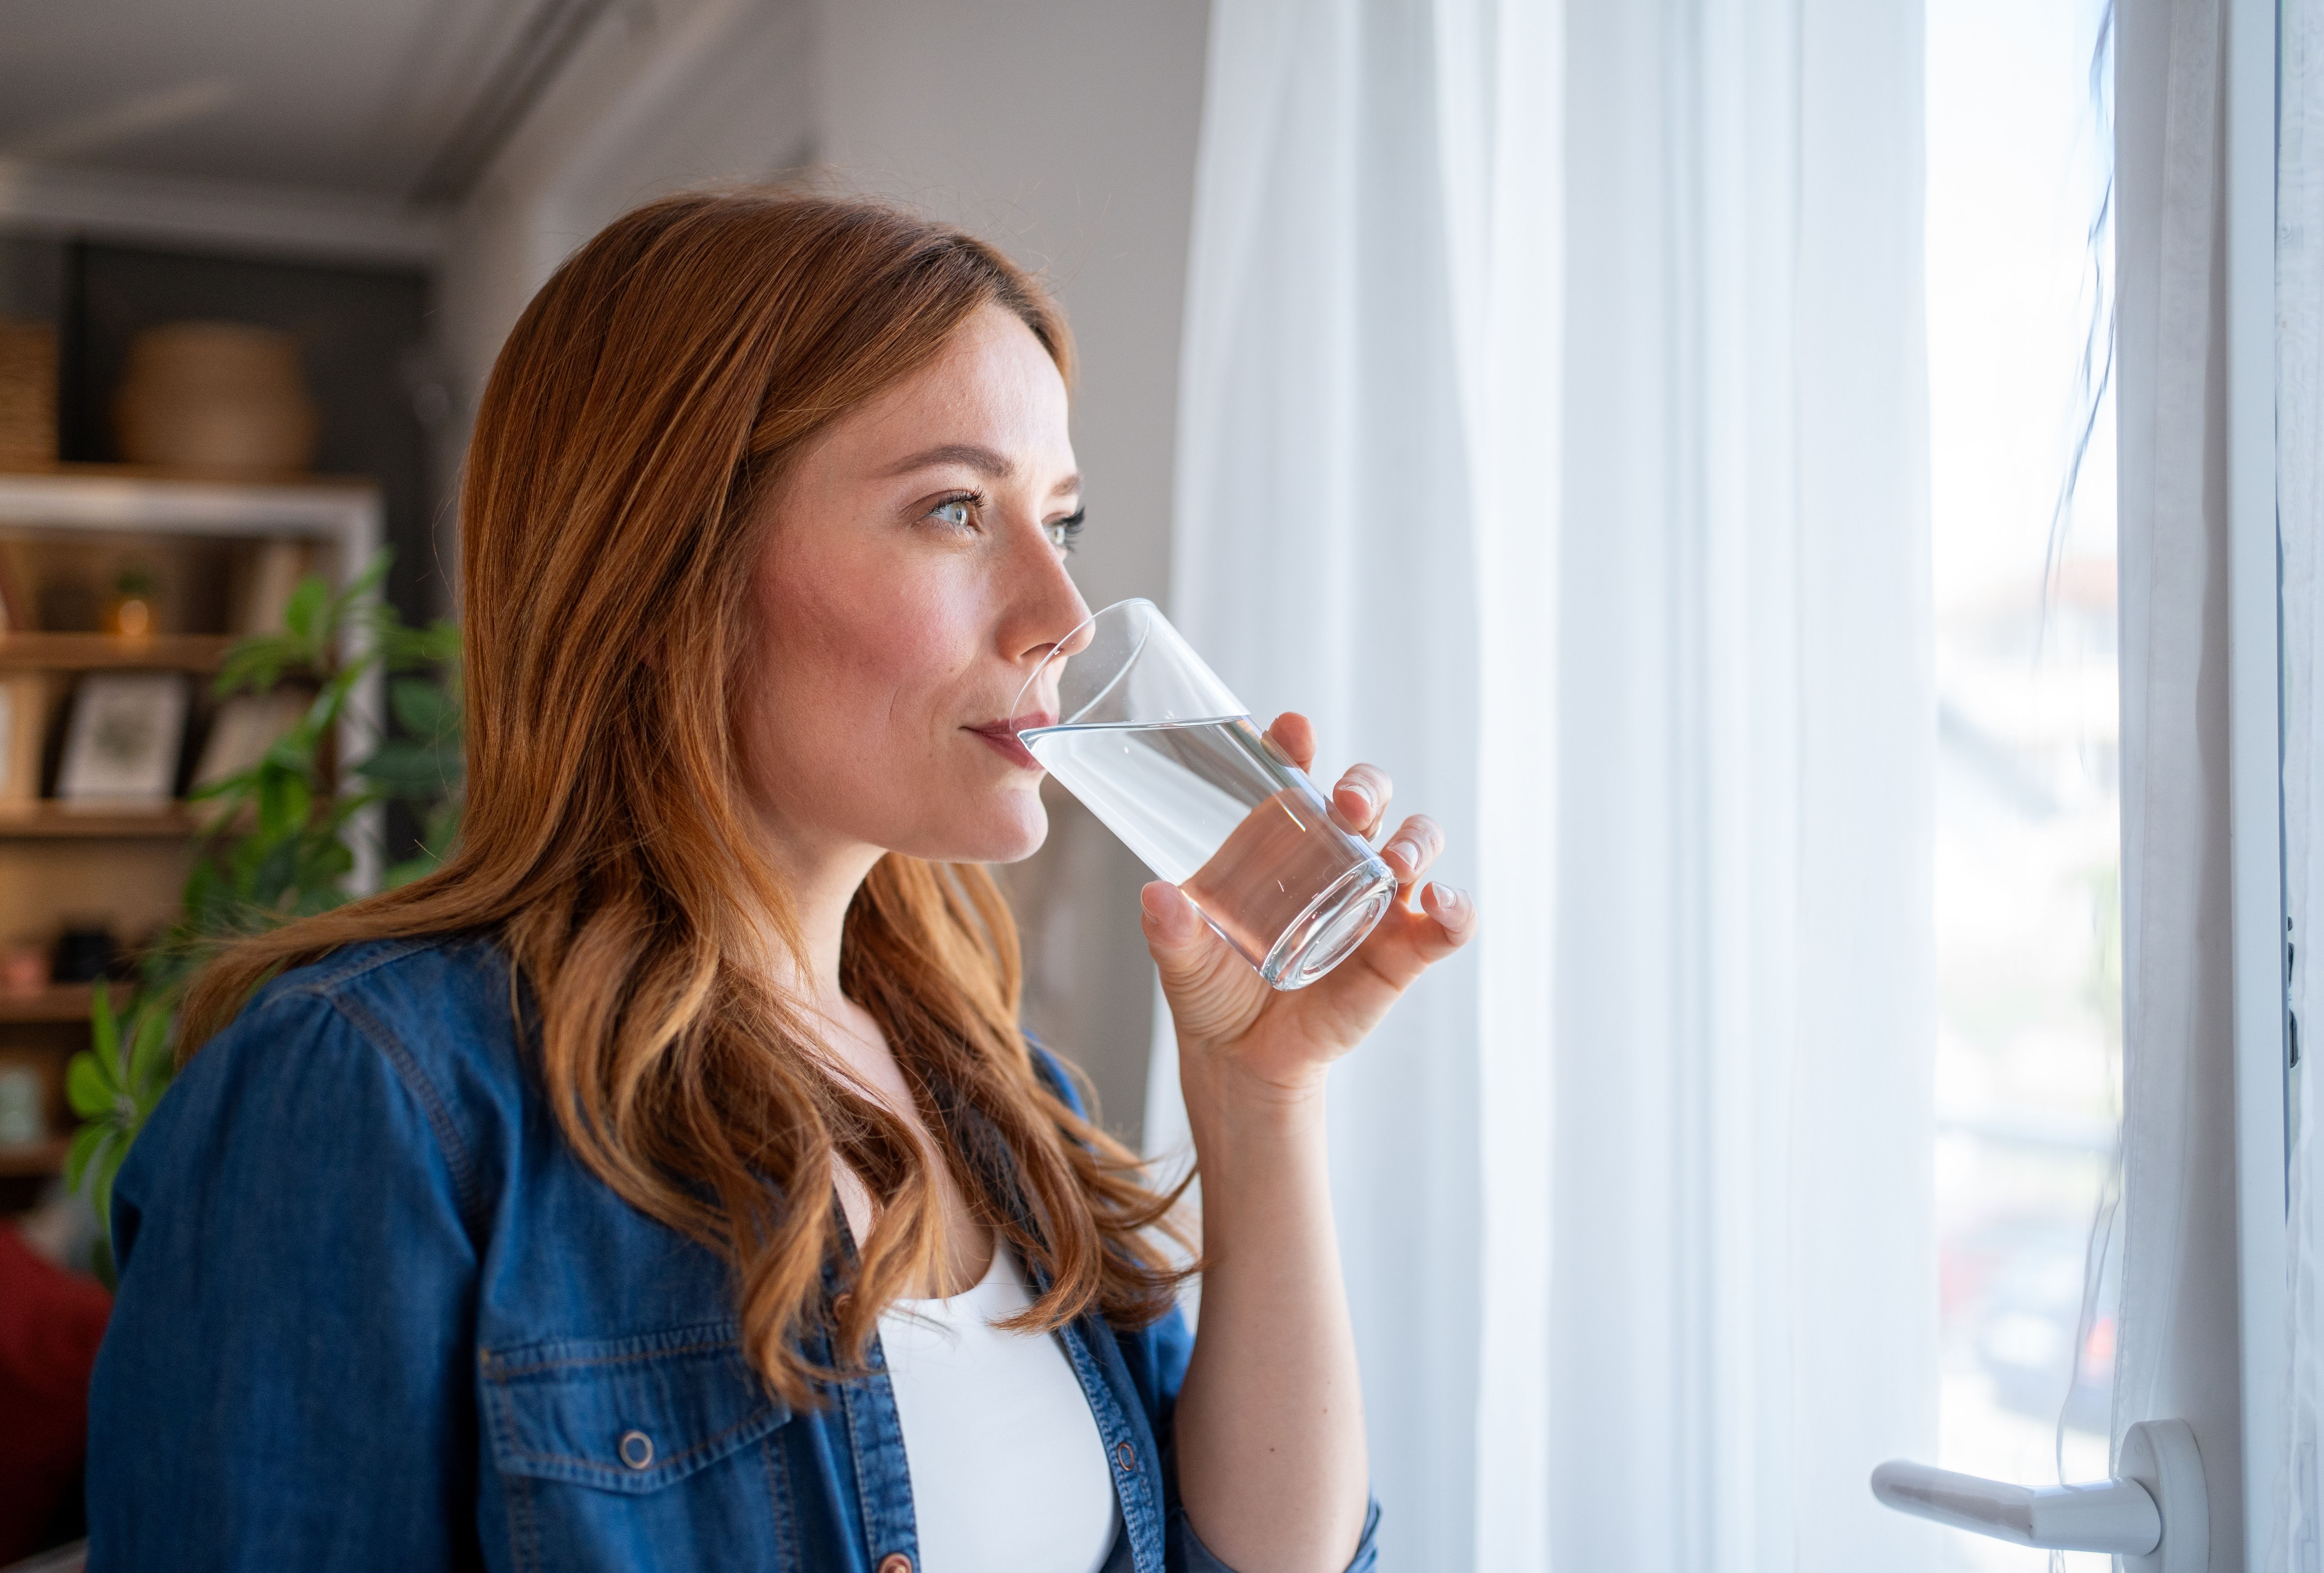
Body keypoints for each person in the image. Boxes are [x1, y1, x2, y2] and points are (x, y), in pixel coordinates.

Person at [84, 191, 1474, 1573]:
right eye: (952, 510)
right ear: (673, 560)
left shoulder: (1000, 1094)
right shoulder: (371, 1099)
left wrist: (1261, 1099)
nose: (1061, 618)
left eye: (1063, 516)